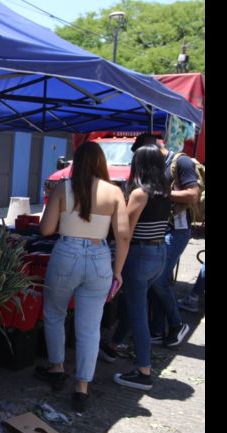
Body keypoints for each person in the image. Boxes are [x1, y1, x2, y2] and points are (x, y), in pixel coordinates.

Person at [35, 141, 130, 411]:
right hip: (100, 257)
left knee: (54, 313)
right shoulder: (114, 192)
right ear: (101, 162)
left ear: (76, 161)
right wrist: (118, 271)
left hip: (67, 253)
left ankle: (56, 367)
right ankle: (82, 387)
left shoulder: (62, 188)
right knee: (90, 327)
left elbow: (45, 230)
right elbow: (123, 235)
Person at [98, 145, 171, 391]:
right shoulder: (164, 191)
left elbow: (124, 233)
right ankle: (113, 345)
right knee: (135, 305)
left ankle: (143, 371)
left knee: (139, 315)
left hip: (140, 256)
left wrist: (117, 267)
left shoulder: (141, 193)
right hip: (158, 254)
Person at [133, 134, 198, 348]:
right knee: (157, 280)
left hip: (176, 230)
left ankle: (177, 323)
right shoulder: (158, 165)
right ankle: (157, 330)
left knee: (158, 279)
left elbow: (192, 194)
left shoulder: (182, 162)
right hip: (159, 230)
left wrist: (163, 192)